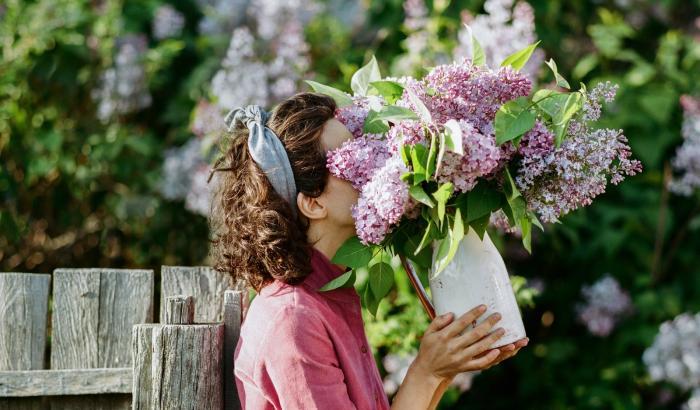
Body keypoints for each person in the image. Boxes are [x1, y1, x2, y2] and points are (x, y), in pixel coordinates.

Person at [207, 92, 528, 410]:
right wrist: (427, 371)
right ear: (313, 203)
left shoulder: (327, 295)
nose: (375, 166)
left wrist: (448, 363)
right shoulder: (293, 321)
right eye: (347, 160)